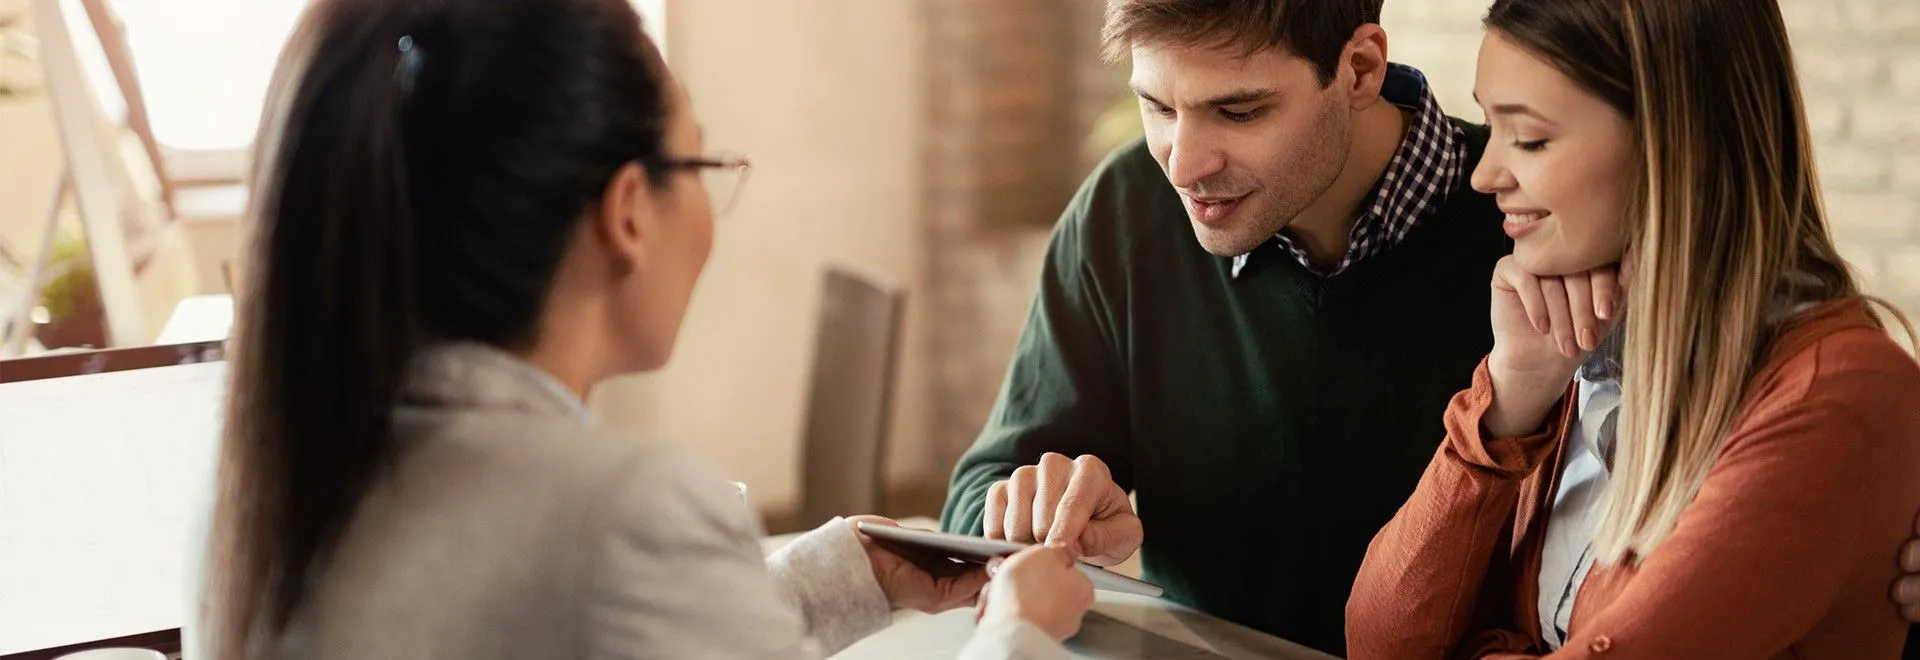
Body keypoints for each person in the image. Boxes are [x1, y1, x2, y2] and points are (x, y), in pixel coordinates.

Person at [941, 0, 1920, 656]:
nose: (1182, 160)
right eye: (1154, 106)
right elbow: (974, 501)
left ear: (1362, 65)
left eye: (1238, 110)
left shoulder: (1551, 250)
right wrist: (1031, 509)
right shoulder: (1129, 211)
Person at [196, 0, 1093, 657]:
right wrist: (1018, 632)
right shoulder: (624, 511)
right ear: (628, 210)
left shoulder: (268, 487)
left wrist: (842, 571)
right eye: (700, 160)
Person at [1343, 0, 1920, 657]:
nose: (1484, 175)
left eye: (1529, 138)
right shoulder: (1578, 337)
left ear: (1677, 148)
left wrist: (1481, 646)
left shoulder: (1833, 392)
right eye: (1493, 126)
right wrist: (1509, 396)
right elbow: (1380, 643)